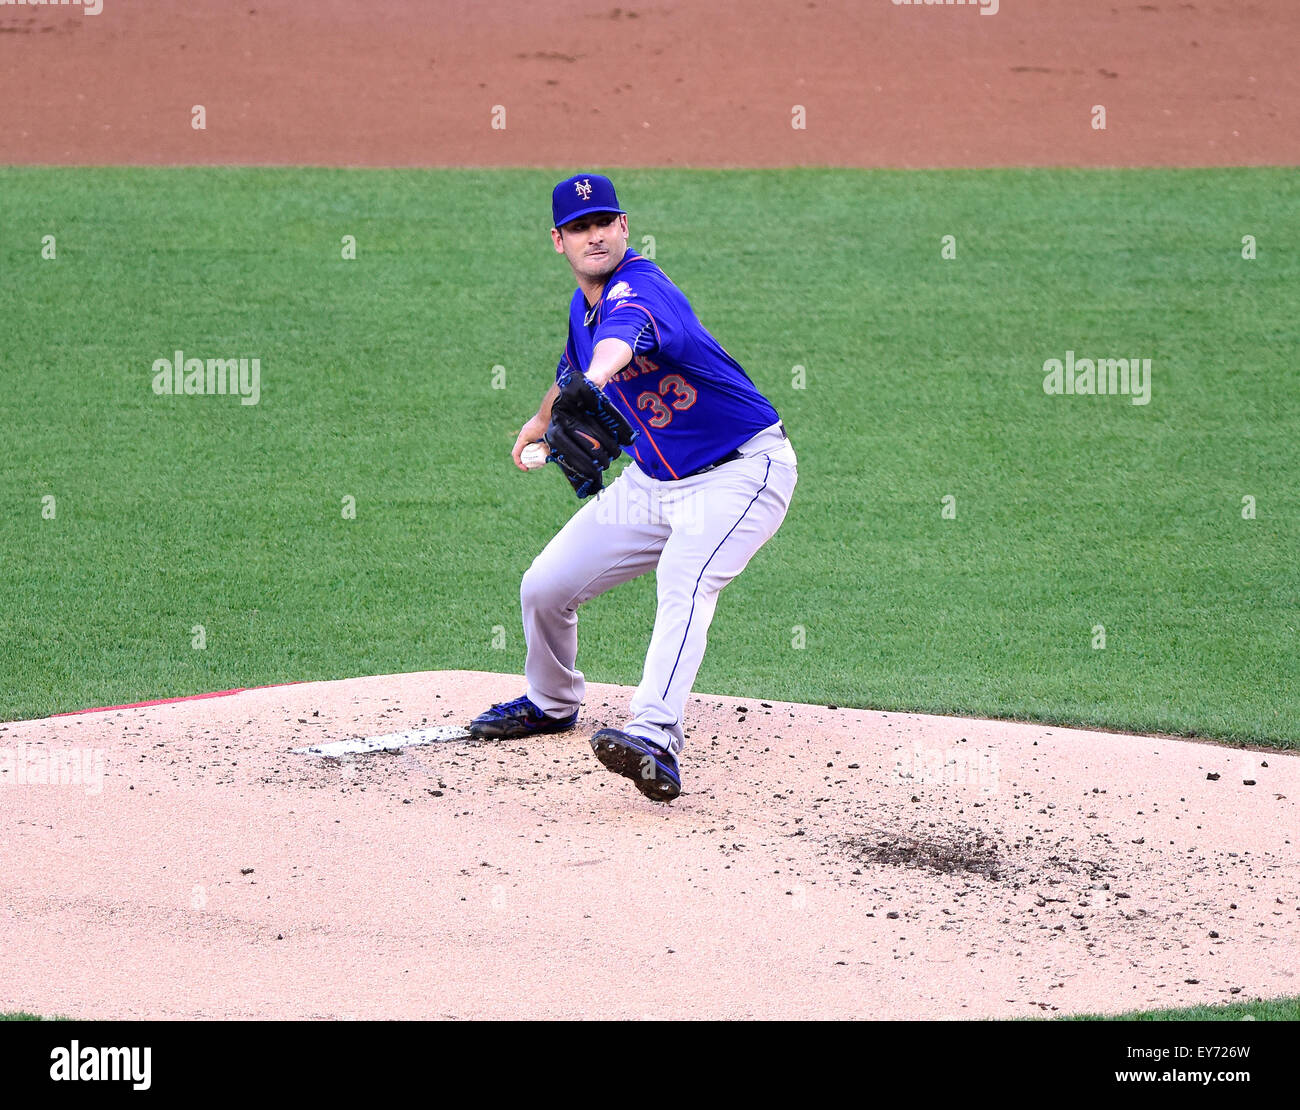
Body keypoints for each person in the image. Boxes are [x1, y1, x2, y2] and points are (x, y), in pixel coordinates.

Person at [468, 173, 798, 803]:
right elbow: (573, 365)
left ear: (623, 227)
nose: (594, 236)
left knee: (685, 580)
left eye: (604, 223)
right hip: (652, 481)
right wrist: (541, 419)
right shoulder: (582, 307)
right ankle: (552, 701)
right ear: (558, 241)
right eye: (579, 228)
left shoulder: (640, 288)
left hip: (741, 473)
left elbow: (617, 342)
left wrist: (593, 383)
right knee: (544, 586)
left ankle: (655, 737)